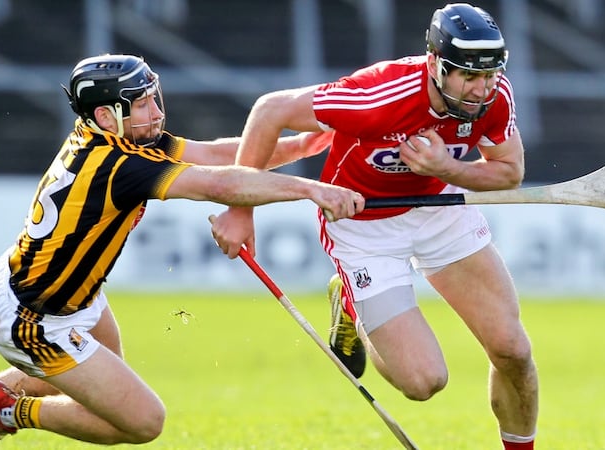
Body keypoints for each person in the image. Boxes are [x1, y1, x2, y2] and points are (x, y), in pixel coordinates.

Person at [0, 53, 364, 450]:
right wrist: (312, 189)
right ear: (107, 116)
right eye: (141, 102)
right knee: (139, 421)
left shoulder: (125, 140)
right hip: (34, 317)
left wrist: (300, 145)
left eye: (152, 96)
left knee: (93, 386)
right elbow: (218, 184)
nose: (155, 110)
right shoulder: (120, 165)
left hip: (67, 294)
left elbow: (212, 156)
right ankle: (6, 412)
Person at [210, 3, 538, 449]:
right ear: (436, 64)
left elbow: (508, 172)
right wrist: (240, 207)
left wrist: (446, 167)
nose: (482, 89)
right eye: (468, 75)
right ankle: (350, 303)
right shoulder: (379, 97)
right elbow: (271, 110)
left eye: (490, 74)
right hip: (362, 224)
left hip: (438, 207)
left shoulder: (495, 97)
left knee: (512, 350)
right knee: (424, 382)